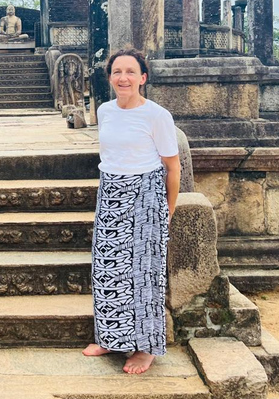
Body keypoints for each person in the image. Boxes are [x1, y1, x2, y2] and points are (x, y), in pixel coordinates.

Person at [82, 48, 180, 375]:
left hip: (145, 195)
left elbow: (172, 166)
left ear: (143, 78)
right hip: (110, 193)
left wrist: (168, 208)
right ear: (110, 77)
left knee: (143, 273)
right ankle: (110, 336)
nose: (123, 78)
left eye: (130, 72)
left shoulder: (157, 115)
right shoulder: (105, 111)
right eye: (117, 72)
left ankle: (145, 348)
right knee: (108, 268)